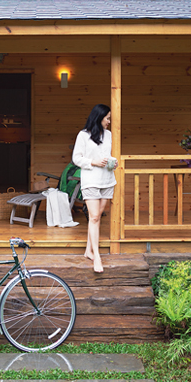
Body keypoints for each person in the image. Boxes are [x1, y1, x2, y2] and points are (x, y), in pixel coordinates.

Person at [72, 104, 117, 273]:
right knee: (95, 216)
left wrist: (113, 162)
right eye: (107, 118)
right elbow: (76, 158)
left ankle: (88, 250)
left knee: (97, 217)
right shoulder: (83, 135)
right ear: (99, 118)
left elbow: (106, 154)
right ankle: (96, 256)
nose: (109, 122)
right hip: (90, 179)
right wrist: (93, 162)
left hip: (107, 179)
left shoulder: (109, 135)